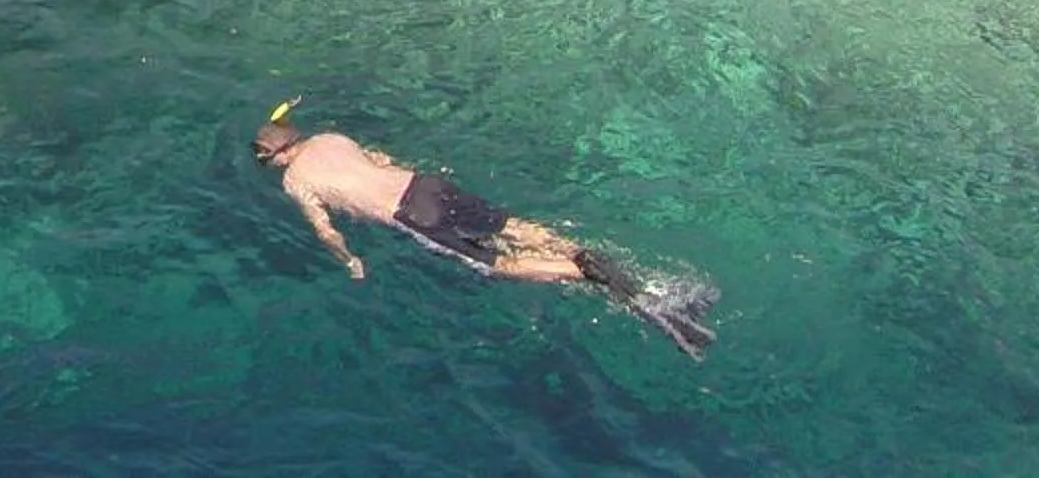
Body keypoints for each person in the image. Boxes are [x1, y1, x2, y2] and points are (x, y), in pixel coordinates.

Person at [251, 104, 715, 358]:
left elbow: (324, 229)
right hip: (424, 185)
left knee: (498, 263)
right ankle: (577, 250)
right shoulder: (332, 137)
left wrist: (350, 261)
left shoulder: (296, 180)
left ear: (277, 156)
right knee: (513, 226)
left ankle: (582, 272)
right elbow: (382, 162)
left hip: (411, 216)